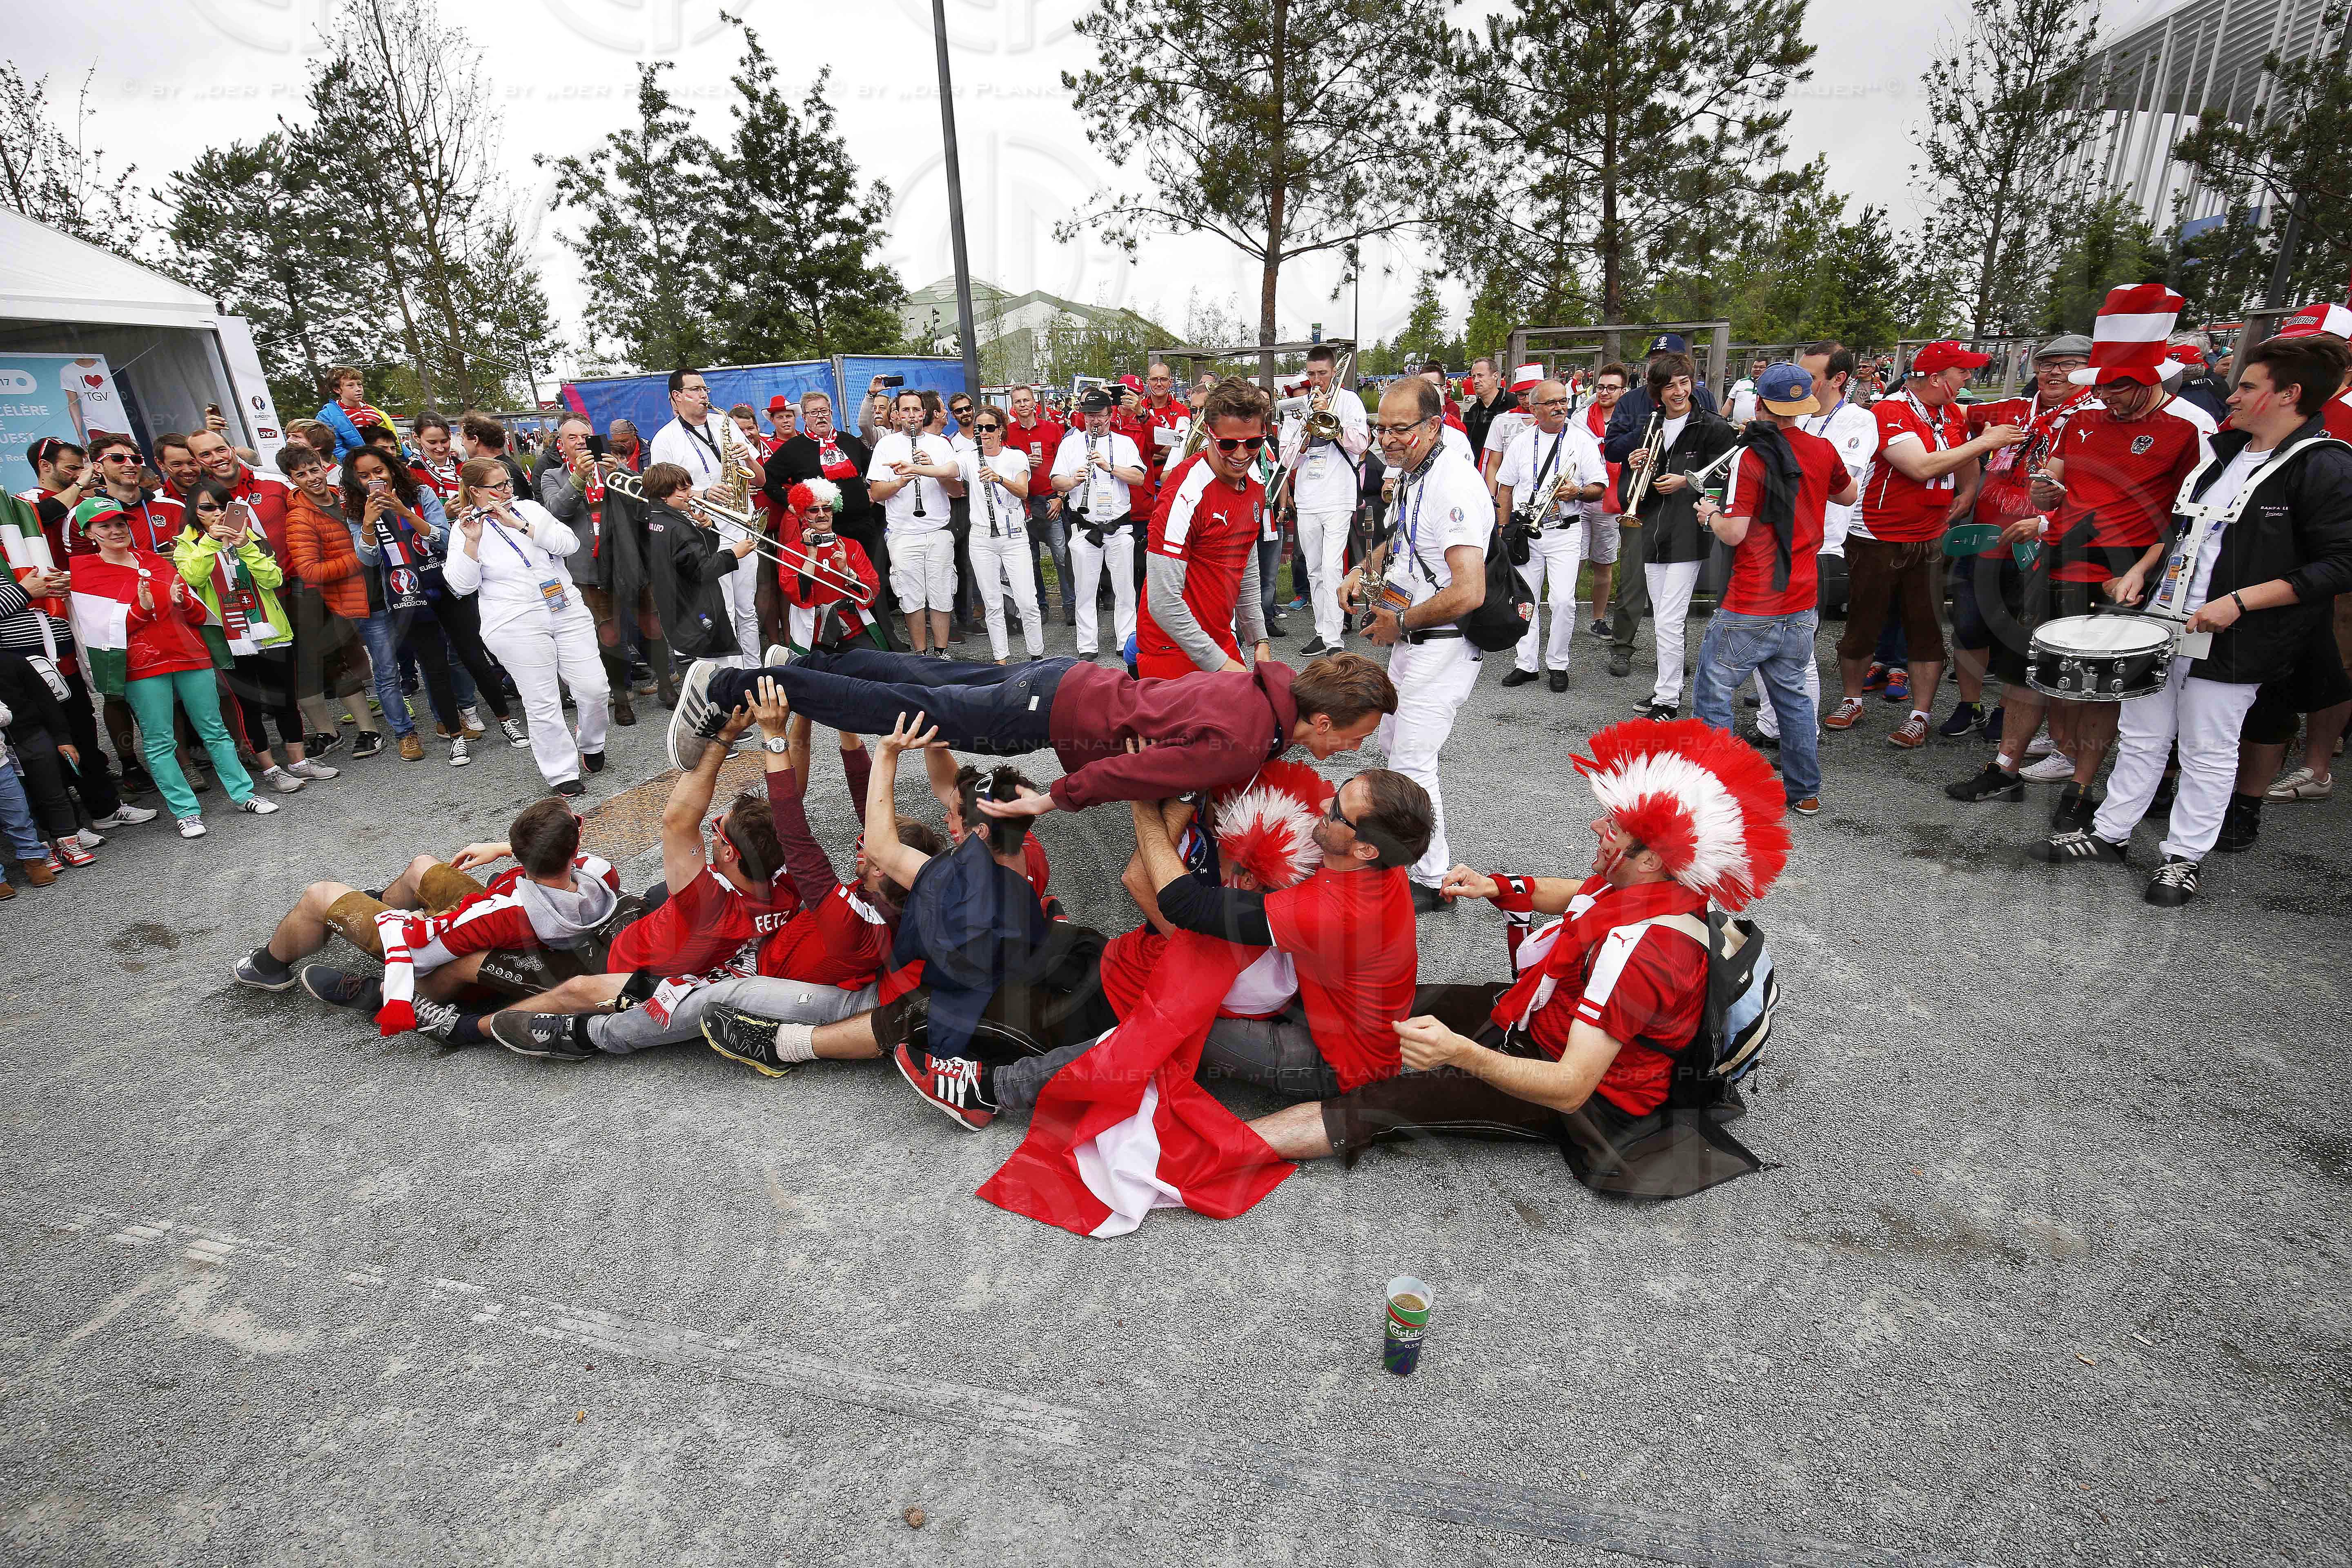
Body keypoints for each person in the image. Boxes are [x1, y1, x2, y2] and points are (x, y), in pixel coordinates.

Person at [1250, 718, 1788, 1198]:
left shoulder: (1644, 955)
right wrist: (1500, 886)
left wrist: (1462, 1053)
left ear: (1648, 858)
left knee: (1386, 1102)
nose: (1597, 830)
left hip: (1574, 1090)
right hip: (1533, 1016)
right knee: (1396, 1014)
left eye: (1613, 828)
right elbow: (1584, 893)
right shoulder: (1649, 887)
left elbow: (1572, 1084)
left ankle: (1216, 1150)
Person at [2036, 334, 2352, 905]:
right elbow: (2185, 528)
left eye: (2249, 387)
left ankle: (2183, 859)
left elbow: (2340, 564)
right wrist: (2143, 572)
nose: (2232, 396)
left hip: (2236, 632)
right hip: (2165, 619)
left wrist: (2240, 602)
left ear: (2290, 395)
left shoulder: (2323, 465)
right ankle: (2109, 834)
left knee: (2208, 747)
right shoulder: (2225, 451)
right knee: (2142, 736)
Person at [490, 682, 944, 1065]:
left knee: (548, 976)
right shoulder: (818, 888)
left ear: (728, 853)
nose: (860, 846)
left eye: (868, 852)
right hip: (684, 933)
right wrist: (820, 711)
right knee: (646, 894)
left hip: (621, 957)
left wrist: (734, 739)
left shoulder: (735, 900)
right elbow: (800, 812)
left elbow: (685, 822)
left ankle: (477, 1028)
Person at [1950, 291, 2209, 829]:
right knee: (2025, 674)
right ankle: (2005, 767)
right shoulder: (2084, 419)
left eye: (2121, 388)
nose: (2109, 398)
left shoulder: (2189, 429)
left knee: (2098, 687)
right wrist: (2045, 501)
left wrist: (2140, 571)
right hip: (2054, 561)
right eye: (2103, 387)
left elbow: (2187, 518)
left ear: (2153, 377)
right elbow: (2059, 483)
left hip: (2121, 574)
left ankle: (2080, 788)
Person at [675, 645, 1395, 815]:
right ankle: (730, 685)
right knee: (896, 713)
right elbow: (1134, 775)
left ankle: (801, 664)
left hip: (1067, 678)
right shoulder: (1248, 735)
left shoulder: (1258, 682)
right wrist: (1053, 798)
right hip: (1049, 713)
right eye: (1353, 737)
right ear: (1324, 717)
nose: (1351, 751)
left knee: (924, 677)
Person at [232, 797, 623, 1034]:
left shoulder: (498, 914)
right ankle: (374, 900)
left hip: (481, 939)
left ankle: (268, 966)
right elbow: (560, 858)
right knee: (422, 866)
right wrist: (504, 850)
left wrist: (419, 921)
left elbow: (418, 954)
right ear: (576, 842)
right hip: (528, 918)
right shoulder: (599, 873)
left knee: (319, 895)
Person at [1341, 377, 1490, 911]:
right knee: (1393, 746)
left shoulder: (1453, 485)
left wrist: (1399, 623)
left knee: (1412, 760)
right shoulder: (1418, 472)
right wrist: (1364, 568)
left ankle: (1432, 880)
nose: (1387, 439)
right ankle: (1403, 854)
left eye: (1400, 428)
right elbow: (1404, 537)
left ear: (1434, 426)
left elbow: (1470, 589)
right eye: (1382, 427)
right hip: (1415, 638)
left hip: (1442, 642)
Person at [1826, 341, 2023, 747]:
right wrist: (1986, 444)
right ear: (1935, 378)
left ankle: (1920, 715)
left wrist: (1969, 491)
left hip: (1929, 534)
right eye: (1962, 372)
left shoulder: (1950, 411)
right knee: (1863, 624)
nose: (1968, 378)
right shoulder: (1890, 410)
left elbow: (1964, 451)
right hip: (1878, 534)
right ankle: (1851, 699)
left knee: (1926, 628)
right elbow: (1920, 467)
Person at [1690, 364, 1858, 815]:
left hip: (1752, 599)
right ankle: (1804, 792)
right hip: (1802, 596)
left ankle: (1719, 795)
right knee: (1792, 697)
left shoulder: (1752, 456)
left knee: (1713, 694)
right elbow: (1848, 495)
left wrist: (1709, 514)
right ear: (1804, 406)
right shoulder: (1822, 449)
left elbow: (1734, 533)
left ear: (1760, 404)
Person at [67, 501, 276, 837]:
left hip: (190, 654)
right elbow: (100, 632)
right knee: (159, 740)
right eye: (104, 526)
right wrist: (140, 610)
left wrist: (185, 601)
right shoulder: (86, 572)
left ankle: (243, 794)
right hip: (141, 666)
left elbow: (195, 614)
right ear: (88, 533)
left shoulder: (153, 560)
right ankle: (186, 812)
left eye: (121, 523)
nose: (116, 530)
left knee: (215, 729)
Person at [1932, 335, 2093, 743]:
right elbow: (1950, 414)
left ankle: (2008, 710)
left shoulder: (2096, 419)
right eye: (2046, 364)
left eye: (2068, 364)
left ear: (2091, 370)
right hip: (1985, 537)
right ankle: (1970, 706)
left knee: (2020, 636)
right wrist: (1966, 485)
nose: (2055, 372)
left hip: (2041, 544)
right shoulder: (2015, 409)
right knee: (1968, 626)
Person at [443, 457, 611, 797]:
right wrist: (472, 542)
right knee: (542, 700)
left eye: (508, 483)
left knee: (595, 688)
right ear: (475, 491)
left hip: (564, 606)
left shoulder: (530, 509)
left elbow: (570, 545)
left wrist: (521, 526)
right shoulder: (464, 529)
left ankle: (591, 742)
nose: (507, 491)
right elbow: (461, 585)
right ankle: (560, 771)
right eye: (498, 486)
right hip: (514, 619)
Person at [174, 478, 334, 795]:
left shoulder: (252, 537)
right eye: (208, 508)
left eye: (225, 506)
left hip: (269, 632)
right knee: (246, 705)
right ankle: (269, 769)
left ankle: (298, 762)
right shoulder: (186, 545)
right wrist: (211, 542)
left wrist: (245, 545)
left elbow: (274, 578)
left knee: (285, 698)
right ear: (194, 512)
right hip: (228, 638)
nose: (218, 514)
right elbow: (192, 578)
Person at [339, 443, 490, 766]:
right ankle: (409, 733)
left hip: (441, 582)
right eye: (363, 476)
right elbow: (367, 558)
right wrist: (368, 524)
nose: (373, 480)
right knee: (420, 663)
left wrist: (404, 514)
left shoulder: (421, 493)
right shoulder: (356, 511)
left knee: (462, 653)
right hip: (400, 592)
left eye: (378, 472)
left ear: (392, 469)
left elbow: (447, 540)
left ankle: (450, 717)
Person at [1613, 352, 1735, 719]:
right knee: (1664, 618)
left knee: (1669, 618)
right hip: (1652, 528)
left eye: (1684, 383)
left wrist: (1688, 480)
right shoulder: (1651, 422)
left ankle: (1668, 699)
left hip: (1688, 531)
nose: (1678, 391)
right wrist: (1637, 466)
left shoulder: (1713, 426)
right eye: (1670, 386)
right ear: (1658, 391)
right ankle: (1666, 691)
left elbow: (1728, 478)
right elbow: (1632, 482)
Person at [1138, 377, 1273, 679]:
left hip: (1219, 639)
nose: (1241, 455)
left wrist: (1259, 640)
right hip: (1170, 649)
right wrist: (1222, 665)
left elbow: (1246, 564)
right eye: (1228, 444)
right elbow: (1162, 601)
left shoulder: (1255, 484)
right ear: (1210, 435)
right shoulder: (1185, 494)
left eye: (1253, 443)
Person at [1494, 379, 1608, 694]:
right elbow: (1505, 487)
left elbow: (1600, 485)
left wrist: (1578, 491)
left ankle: (1558, 663)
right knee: (1525, 600)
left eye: (1563, 401)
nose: (1560, 407)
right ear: (1534, 409)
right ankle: (1526, 664)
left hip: (1565, 531)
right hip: (1525, 533)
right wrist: (1504, 530)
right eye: (1552, 403)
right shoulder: (1521, 442)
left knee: (1562, 601)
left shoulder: (1581, 441)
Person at [650, 369, 763, 666]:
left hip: (742, 524)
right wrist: (702, 493)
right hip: (706, 530)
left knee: (746, 608)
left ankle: (754, 668)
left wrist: (748, 457)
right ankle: (731, 675)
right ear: (677, 397)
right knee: (721, 608)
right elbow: (661, 494)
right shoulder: (665, 439)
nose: (704, 396)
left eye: (705, 389)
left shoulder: (724, 423)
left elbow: (761, 479)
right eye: (696, 390)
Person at [764, 389, 892, 646]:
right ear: (806, 418)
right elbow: (768, 479)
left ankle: (880, 637)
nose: (820, 417)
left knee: (870, 581)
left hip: (862, 525)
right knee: (827, 584)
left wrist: (871, 491)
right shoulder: (794, 448)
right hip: (823, 529)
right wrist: (790, 503)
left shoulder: (849, 441)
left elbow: (873, 467)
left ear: (831, 413)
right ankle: (823, 640)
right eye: (813, 413)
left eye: (824, 411)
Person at [1276, 347, 1372, 659]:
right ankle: (1323, 631)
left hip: (1339, 496)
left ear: (1333, 372)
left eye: (1323, 373)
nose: (1317, 380)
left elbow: (1361, 444)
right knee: (1315, 570)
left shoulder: (1350, 401)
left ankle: (1335, 640)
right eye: (1312, 374)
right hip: (1307, 499)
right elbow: (1287, 459)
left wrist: (1335, 422)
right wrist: (1305, 432)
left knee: (1332, 567)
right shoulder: (1297, 407)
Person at [1051, 388, 1148, 660]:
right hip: (1085, 528)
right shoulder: (1070, 444)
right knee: (1085, 590)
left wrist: (1109, 467)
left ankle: (1125, 642)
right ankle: (1087, 646)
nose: (1094, 421)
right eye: (1089, 416)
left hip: (1119, 528)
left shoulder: (1125, 442)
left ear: (1110, 415)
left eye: (1099, 416)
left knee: (1125, 590)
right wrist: (1073, 481)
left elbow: (1139, 478)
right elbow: (1056, 481)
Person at [867, 389, 964, 656]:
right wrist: (901, 481)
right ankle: (921, 656)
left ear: (925, 414)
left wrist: (933, 470)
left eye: (916, 410)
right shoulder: (887, 445)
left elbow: (957, 491)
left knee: (943, 594)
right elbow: (876, 493)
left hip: (939, 531)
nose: (912, 415)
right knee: (911, 598)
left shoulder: (941, 445)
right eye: (906, 410)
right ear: (897, 415)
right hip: (903, 534)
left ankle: (941, 654)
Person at [639, 461, 756, 667]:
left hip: (678, 603)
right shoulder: (678, 528)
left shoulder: (654, 519)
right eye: (684, 490)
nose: (691, 494)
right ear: (665, 496)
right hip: (695, 604)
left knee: (711, 663)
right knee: (718, 667)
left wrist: (706, 529)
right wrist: (734, 555)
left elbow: (695, 556)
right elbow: (702, 570)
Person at [957, 406, 1043, 664]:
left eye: (989, 428)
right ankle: (1001, 658)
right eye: (979, 428)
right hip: (982, 538)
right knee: (992, 602)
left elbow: (1023, 491)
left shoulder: (1016, 457)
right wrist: (918, 468)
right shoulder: (969, 458)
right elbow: (945, 470)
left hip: (1014, 535)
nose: (983, 432)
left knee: (1027, 601)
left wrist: (998, 478)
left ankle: (1037, 655)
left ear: (1000, 431)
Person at [1004, 385, 1072, 626]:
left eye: (1026, 400)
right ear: (1013, 406)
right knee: (1031, 561)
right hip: (1023, 504)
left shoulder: (1053, 429)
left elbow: (1066, 466)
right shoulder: (1007, 433)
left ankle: (1070, 606)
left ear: (1035, 403)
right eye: (1018, 401)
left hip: (1051, 499)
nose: (1023, 405)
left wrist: (1061, 497)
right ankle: (1041, 606)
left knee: (1062, 558)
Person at [1577, 363, 1630, 638]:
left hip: (1611, 499)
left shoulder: (1629, 419)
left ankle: (1598, 619)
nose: (1605, 392)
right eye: (1601, 387)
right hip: (1582, 496)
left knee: (1604, 562)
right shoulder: (1582, 417)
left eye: (1612, 388)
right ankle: (1566, 612)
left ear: (1623, 391)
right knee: (1575, 558)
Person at [314, 366, 390, 461]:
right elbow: (336, 448)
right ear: (337, 390)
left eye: (360, 385)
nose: (358, 389)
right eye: (351, 386)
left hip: (386, 460)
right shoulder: (327, 415)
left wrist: (407, 455)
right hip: (356, 464)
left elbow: (391, 437)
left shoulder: (374, 411)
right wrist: (357, 462)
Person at [1461, 356, 1520, 462]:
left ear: (1495, 376)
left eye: (1481, 376)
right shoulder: (1473, 411)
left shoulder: (1513, 404)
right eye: (1473, 377)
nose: (1476, 381)